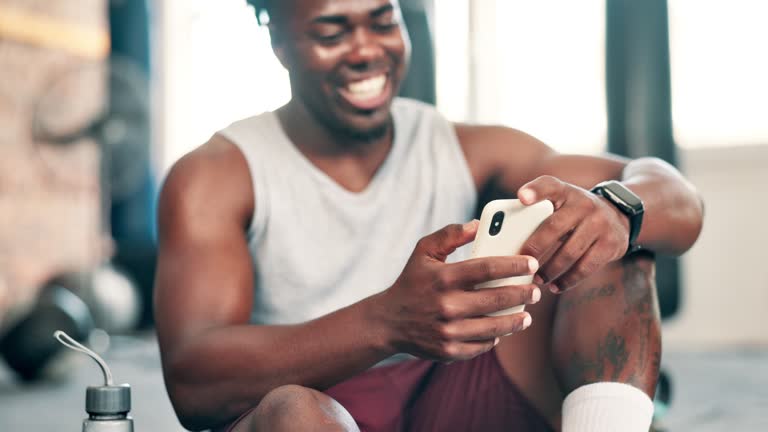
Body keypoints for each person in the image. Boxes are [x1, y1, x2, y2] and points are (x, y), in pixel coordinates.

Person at [154, 1, 703, 431]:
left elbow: (677, 200)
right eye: (331, 31)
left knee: (599, 238)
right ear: (277, 39)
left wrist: (614, 213)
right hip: (317, 404)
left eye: (382, 20)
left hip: (453, 392)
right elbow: (193, 383)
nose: (367, 50)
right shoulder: (217, 175)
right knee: (295, 415)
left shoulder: (466, 147)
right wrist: (387, 322)